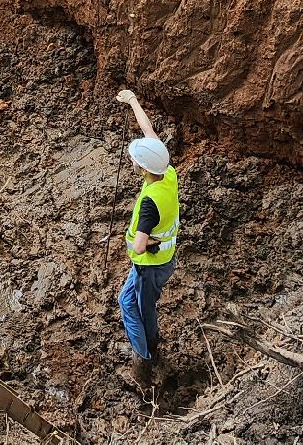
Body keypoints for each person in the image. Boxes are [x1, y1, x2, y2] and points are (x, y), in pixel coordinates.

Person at [115, 87, 178, 389]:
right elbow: (148, 129)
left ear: (142, 168)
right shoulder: (168, 171)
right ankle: (149, 348)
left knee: (135, 306)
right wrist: (132, 101)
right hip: (165, 259)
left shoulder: (149, 204)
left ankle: (145, 357)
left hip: (149, 266)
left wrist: (144, 242)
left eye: (135, 160)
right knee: (138, 304)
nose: (133, 162)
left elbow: (139, 244)